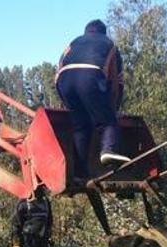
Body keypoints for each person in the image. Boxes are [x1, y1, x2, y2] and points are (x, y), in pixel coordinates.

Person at [56, 19, 130, 181]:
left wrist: (66, 103)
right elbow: (117, 83)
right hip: (89, 77)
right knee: (107, 122)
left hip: (64, 81)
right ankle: (108, 151)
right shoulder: (109, 45)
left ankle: (79, 173)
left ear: (86, 31)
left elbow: (58, 70)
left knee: (81, 126)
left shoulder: (73, 43)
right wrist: (113, 109)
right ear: (103, 32)